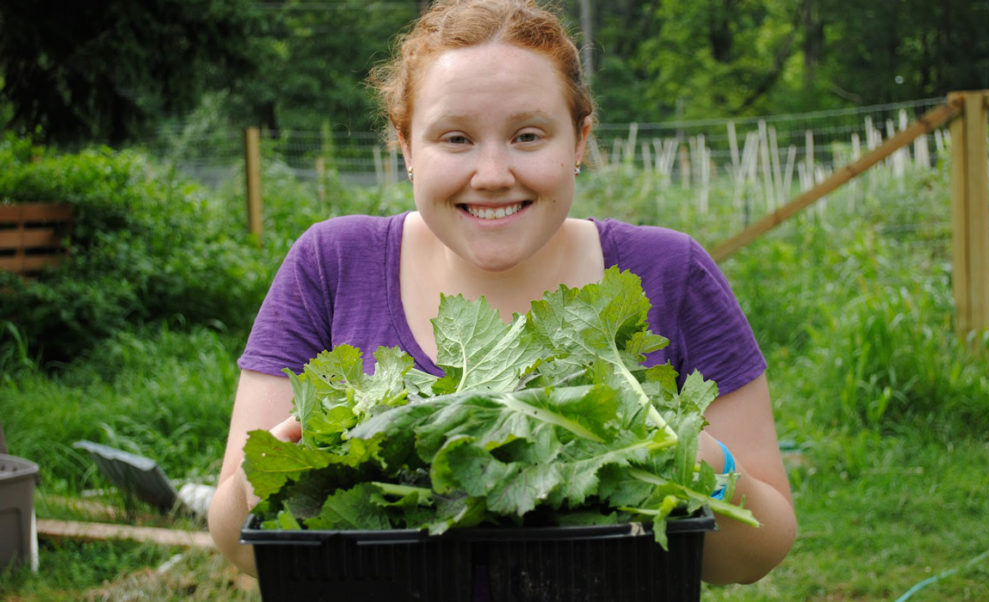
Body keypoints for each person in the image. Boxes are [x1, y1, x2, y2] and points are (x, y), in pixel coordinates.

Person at [208, 0, 796, 585]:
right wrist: (277, 466)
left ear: (580, 141)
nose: (492, 174)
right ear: (406, 145)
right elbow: (238, 544)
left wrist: (703, 461)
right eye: (456, 138)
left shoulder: (672, 272)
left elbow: (760, 551)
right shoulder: (331, 265)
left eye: (528, 135)